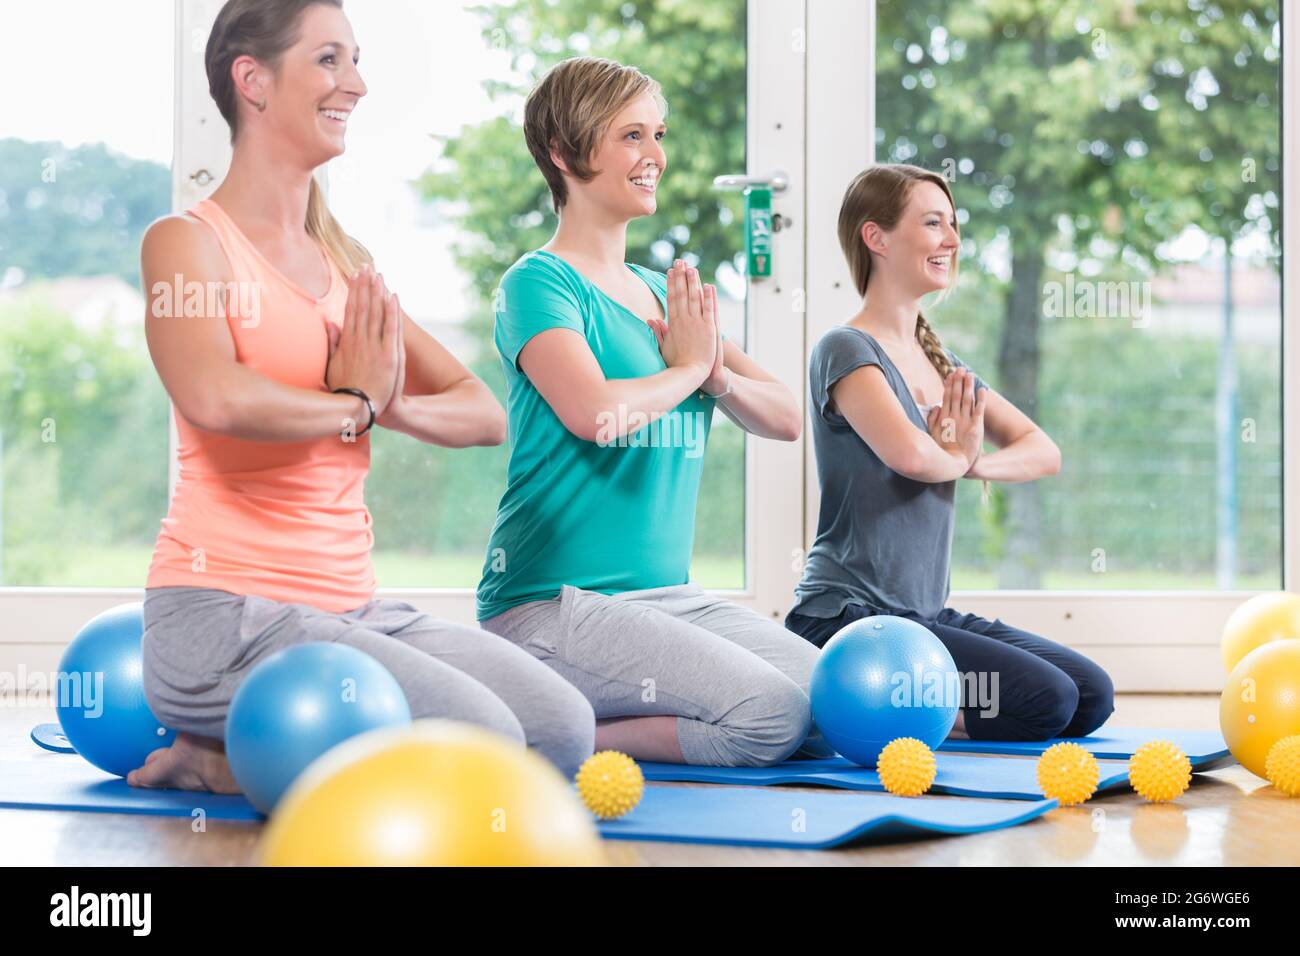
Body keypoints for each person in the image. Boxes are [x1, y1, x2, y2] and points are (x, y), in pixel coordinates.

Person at [132, 0, 593, 793]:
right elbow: (213, 395)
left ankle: (228, 755)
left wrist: (390, 403)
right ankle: (223, 740)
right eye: (329, 60)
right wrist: (356, 403)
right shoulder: (187, 242)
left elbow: (483, 412)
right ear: (254, 80)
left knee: (559, 731)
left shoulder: (347, 264)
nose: (357, 84)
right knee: (484, 740)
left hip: (351, 611)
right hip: (220, 614)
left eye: (356, 60)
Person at [476, 56, 835, 767]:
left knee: (832, 705)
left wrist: (711, 378)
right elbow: (594, 412)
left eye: (658, 135)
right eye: (631, 136)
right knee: (770, 717)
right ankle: (536, 735)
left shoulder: (660, 295)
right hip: (551, 606)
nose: (655, 157)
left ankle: (584, 714)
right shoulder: (538, 283)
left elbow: (786, 416)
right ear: (563, 151)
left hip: (668, 600)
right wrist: (689, 369)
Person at [785, 163, 1114, 741]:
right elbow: (911, 456)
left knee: (1089, 695)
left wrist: (975, 460)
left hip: (923, 615)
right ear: (876, 237)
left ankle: (897, 704)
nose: (952, 240)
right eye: (933, 222)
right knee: (1046, 699)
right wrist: (958, 455)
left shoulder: (942, 364)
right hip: (848, 621)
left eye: (953, 225)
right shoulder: (845, 349)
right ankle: (859, 706)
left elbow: (1043, 451)